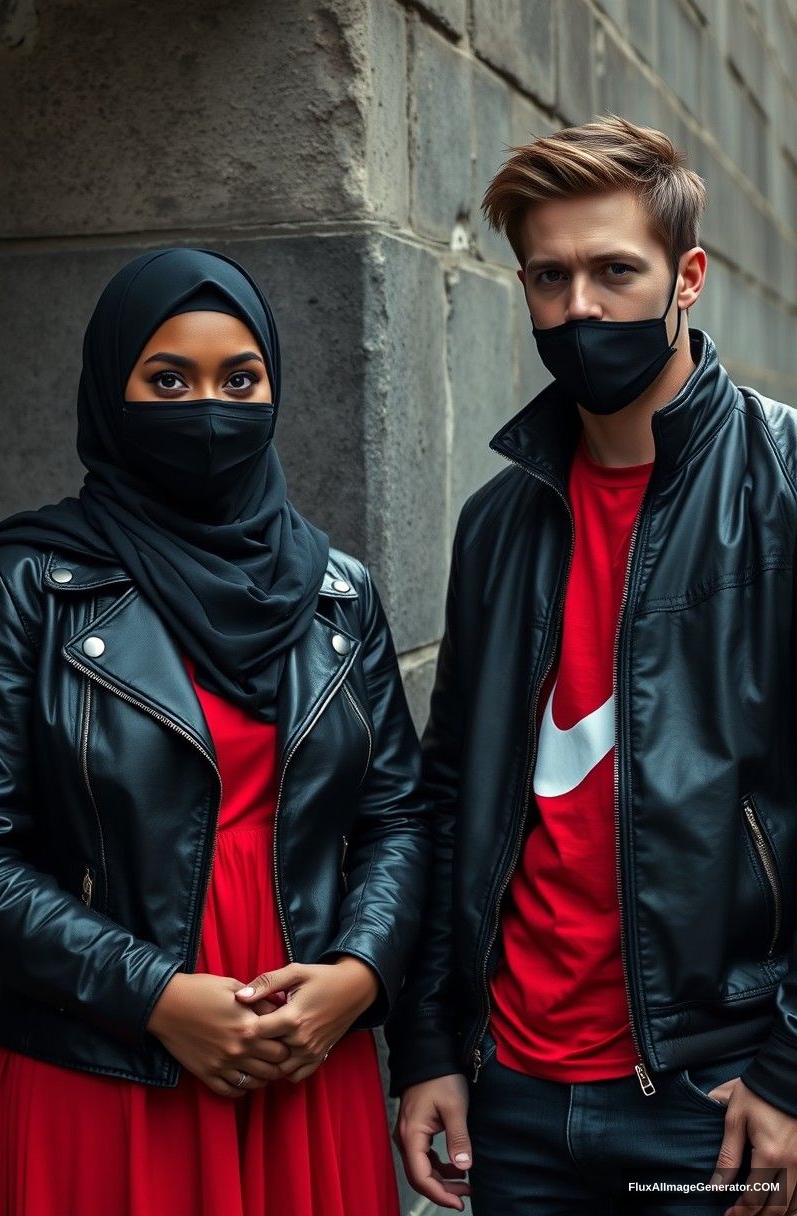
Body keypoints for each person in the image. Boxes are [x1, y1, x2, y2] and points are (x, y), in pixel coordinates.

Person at [387, 116, 797, 1215]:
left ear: (688, 276)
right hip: (515, 1096)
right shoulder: (499, 520)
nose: (580, 309)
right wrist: (427, 1043)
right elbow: (447, 796)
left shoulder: (783, 483)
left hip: (715, 1098)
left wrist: (789, 1069)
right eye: (549, 277)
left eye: (616, 271)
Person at [0, 246, 428, 1216]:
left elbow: (396, 816)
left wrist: (356, 975)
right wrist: (157, 997)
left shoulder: (338, 593)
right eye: (167, 378)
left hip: (309, 1051)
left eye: (239, 378)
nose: (209, 409)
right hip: (111, 1064)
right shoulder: (24, 581)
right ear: (109, 388)